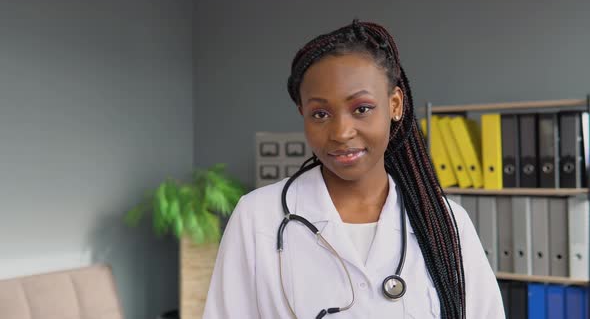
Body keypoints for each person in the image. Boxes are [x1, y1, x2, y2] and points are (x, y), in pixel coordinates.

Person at [203, 19, 504, 319]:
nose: (341, 132)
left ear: (395, 104)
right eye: (320, 113)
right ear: (302, 114)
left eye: (362, 109)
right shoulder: (258, 217)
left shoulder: (445, 222)